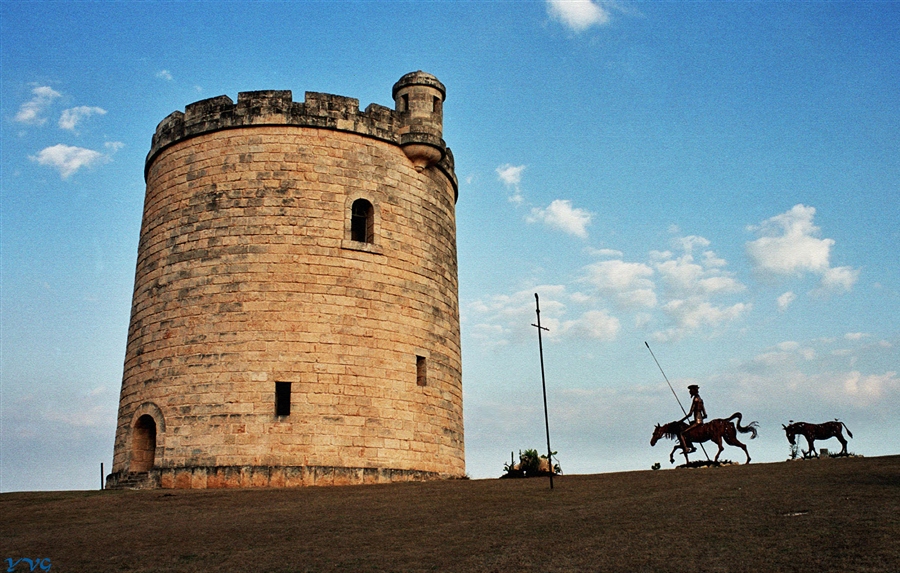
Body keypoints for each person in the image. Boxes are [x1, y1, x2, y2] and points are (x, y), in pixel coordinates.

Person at [678, 384, 706, 455]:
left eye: (690, 390)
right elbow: (705, 415)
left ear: (694, 390)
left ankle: (687, 448)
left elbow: (690, 413)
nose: (690, 392)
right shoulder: (700, 399)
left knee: (682, 433)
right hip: (700, 422)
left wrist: (681, 420)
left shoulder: (695, 400)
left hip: (697, 422)